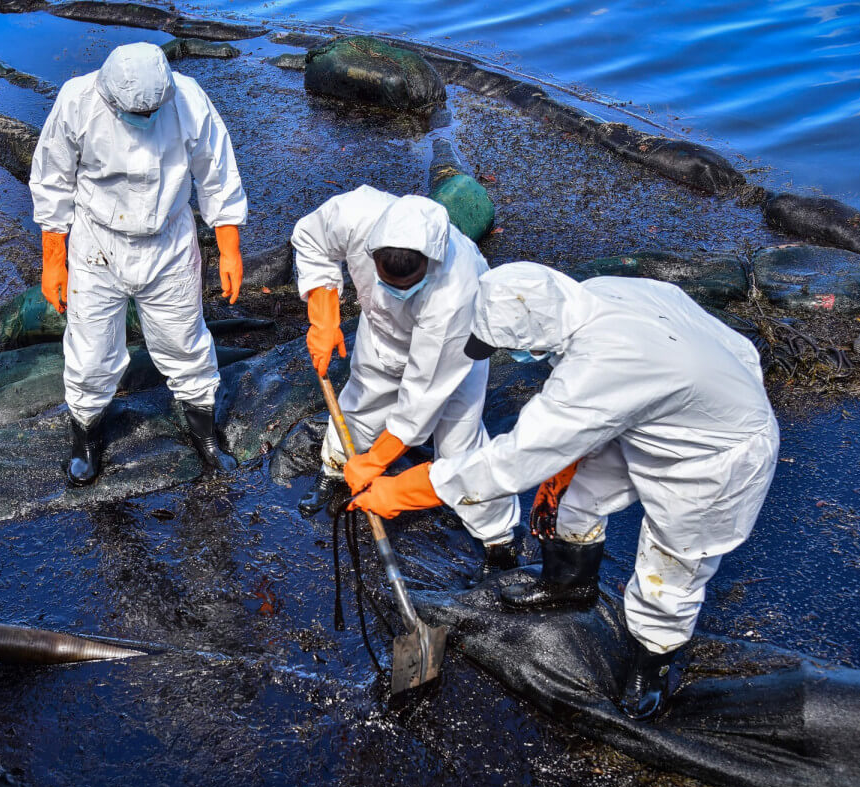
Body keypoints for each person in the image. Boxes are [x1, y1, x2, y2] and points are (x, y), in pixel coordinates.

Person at [350, 262, 779, 720]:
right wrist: (572, 455)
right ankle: (569, 585)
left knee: (671, 563)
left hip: (715, 455)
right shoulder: (600, 291)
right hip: (655, 409)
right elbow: (728, 346)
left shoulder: (601, 367)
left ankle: (651, 663)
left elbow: (512, 460)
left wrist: (408, 489)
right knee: (571, 501)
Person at [29, 42, 247, 486]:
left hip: (168, 239)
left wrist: (229, 248)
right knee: (90, 352)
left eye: (151, 112)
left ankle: (204, 432)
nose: (143, 120)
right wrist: (54, 261)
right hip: (98, 242)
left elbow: (217, 174)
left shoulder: (187, 98)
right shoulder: (77, 99)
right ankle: (85, 435)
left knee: (185, 341)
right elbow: (52, 180)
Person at [291, 187, 520, 570]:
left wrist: (378, 461)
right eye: (386, 277)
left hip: (454, 353)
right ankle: (334, 471)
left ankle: (496, 534)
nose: (397, 291)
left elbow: (422, 399)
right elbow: (312, 237)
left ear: (430, 263)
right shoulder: (357, 214)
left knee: (459, 437)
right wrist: (322, 308)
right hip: (382, 333)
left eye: (408, 283)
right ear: (374, 250)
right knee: (361, 402)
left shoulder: (457, 293)